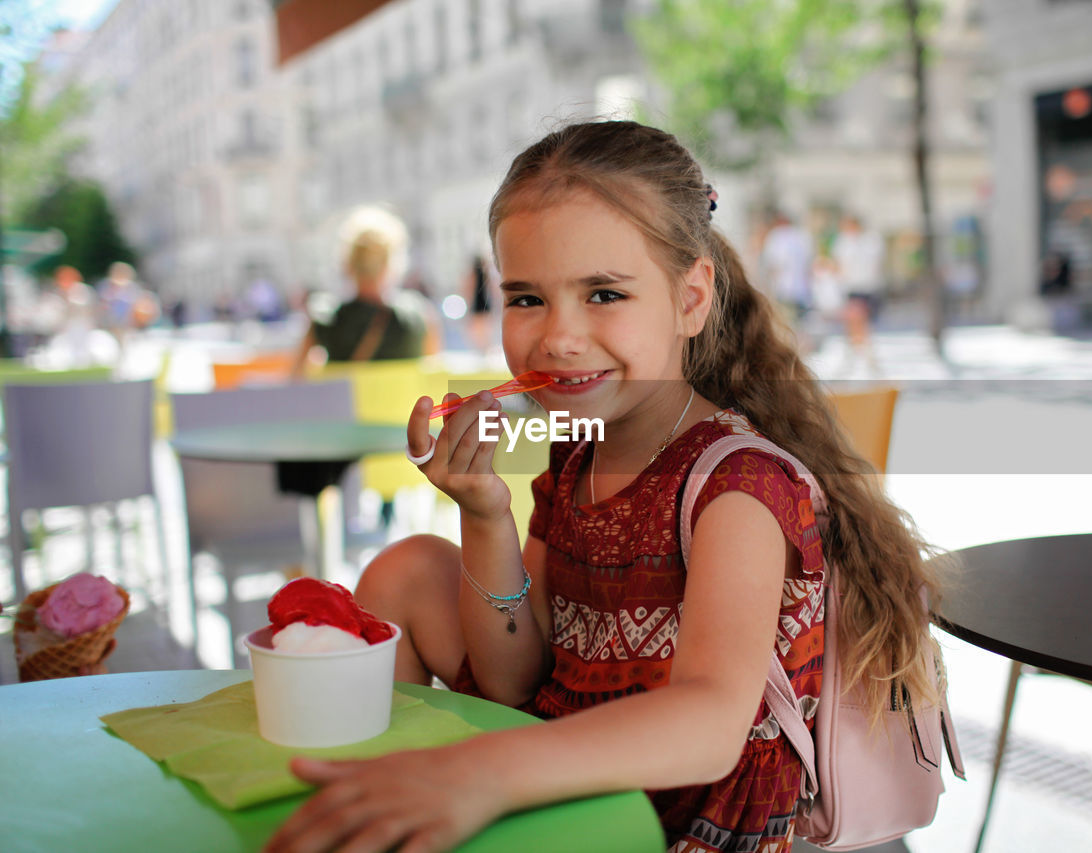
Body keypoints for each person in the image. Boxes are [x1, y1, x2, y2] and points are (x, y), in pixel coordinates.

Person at [266, 121, 943, 853]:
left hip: (681, 824)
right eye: (526, 298)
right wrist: (487, 514)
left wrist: (479, 770)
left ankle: (417, 794)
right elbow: (511, 677)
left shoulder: (740, 485)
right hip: (567, 758)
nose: (558, 335)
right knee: (404, 568)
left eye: (604, 294)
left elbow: (713, 722)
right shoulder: (574, 453)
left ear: (691, 300)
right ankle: (371, 808)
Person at [290, 206, 442, 378]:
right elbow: (432, 379)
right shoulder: (420, 317)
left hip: (345, 406)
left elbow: (295, 381)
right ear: (393, 263)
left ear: (348, 262)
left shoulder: (325, 320)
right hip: (404, 405)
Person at [831, 213, 886, 371]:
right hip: (851, 288)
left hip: (867, 288)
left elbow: (875, 265)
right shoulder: (843, 242)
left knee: (863, 323)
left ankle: (862, 354)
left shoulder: (870, 241)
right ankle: (858, 354)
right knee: (854, 322)